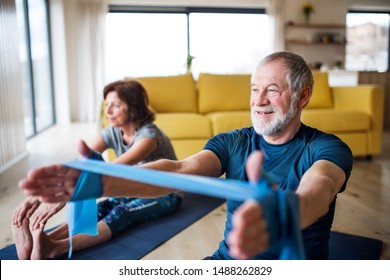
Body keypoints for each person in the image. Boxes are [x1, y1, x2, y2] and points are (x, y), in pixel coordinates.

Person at [19, 51, 353, 260]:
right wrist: (99, 183)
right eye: (254, 89)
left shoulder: (326, 149)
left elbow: (318, 190)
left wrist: (286, 213)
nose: (259, 100)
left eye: (272, 90)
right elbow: (179, 169)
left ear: (303, 95)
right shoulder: (234, 142)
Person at [12, 80, 182, 260]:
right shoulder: (112, 132)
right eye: (107, 105)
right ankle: (42, 240)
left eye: (115, 106)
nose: (107, 112)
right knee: (102, 208)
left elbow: (110, 173)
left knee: (121, 213)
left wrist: (66, 194)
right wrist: (39, 195)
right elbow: (80, 164)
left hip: (166, 193)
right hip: (135, 188)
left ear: (134, 107)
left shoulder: (149, 136)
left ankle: (55, 248)